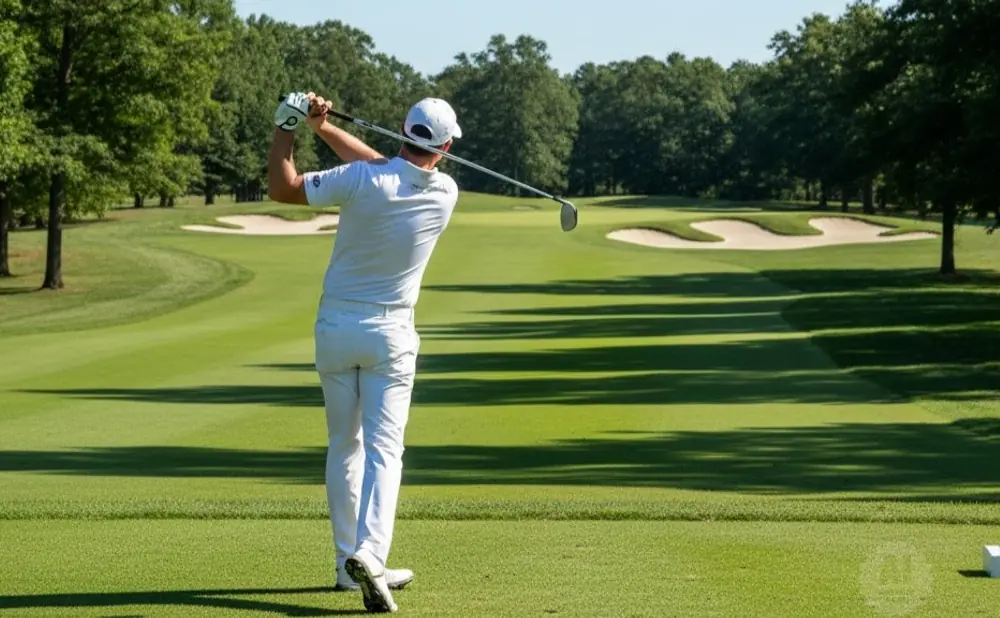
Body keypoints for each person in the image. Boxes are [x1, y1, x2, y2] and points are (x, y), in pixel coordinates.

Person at [267, 92, 462, 613]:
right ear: (445, 147)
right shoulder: (446, 190)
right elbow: (387, 168)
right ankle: (371, 555)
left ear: (403, 130)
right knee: (385, 449)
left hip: (334, 327)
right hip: (391, 335)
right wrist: (322, 127)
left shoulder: (360, 181)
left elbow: (284, 188)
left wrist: (291, 127)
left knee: (343, 445)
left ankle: (345, 564)